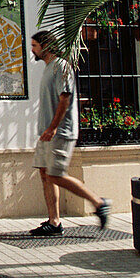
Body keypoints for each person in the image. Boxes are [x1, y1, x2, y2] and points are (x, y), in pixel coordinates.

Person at [28, 30, 111, 236]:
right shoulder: (48, 68)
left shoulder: (61, 67)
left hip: (60, 132)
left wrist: (53, 127)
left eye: (35, 46)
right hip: (46, 132)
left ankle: (99, 203)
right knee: (45, 173)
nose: (32, 50)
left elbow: (65, 99)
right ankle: (54, 222)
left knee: (56, 175)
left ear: (46, 46)